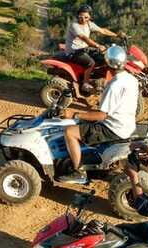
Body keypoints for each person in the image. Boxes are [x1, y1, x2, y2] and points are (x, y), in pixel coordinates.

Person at [58, 45, 139, 184]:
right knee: (85, 124)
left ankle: (78, 172)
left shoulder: (114, 85)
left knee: (70, 131)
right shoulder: (132, 79)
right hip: (127, 125)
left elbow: (102, 115)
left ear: (107, 64)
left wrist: (74, 114)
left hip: (113, 128)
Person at [64, 5, 123, 90]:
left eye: (86, 17)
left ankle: (99, 79)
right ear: (77, 16)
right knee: (90, 62)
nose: (83, 19)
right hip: (74, 52)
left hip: (84, 49)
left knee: (104, 56)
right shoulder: (74, 25)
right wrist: (97, 45)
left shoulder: (89, 24)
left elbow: (102, 30)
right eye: (81, 17)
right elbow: (84, 38)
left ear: (90, 17)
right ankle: (85, 84)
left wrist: (117, 35)